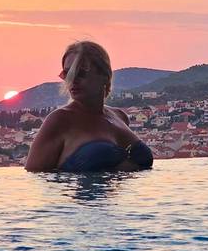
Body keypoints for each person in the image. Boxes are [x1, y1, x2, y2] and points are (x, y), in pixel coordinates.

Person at [25, 40, 153, 172]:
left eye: (80, 73)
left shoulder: (120, 117)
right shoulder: (60, 120)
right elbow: (35, 177)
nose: (72, 80)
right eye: (67, 74)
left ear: (104, 75)